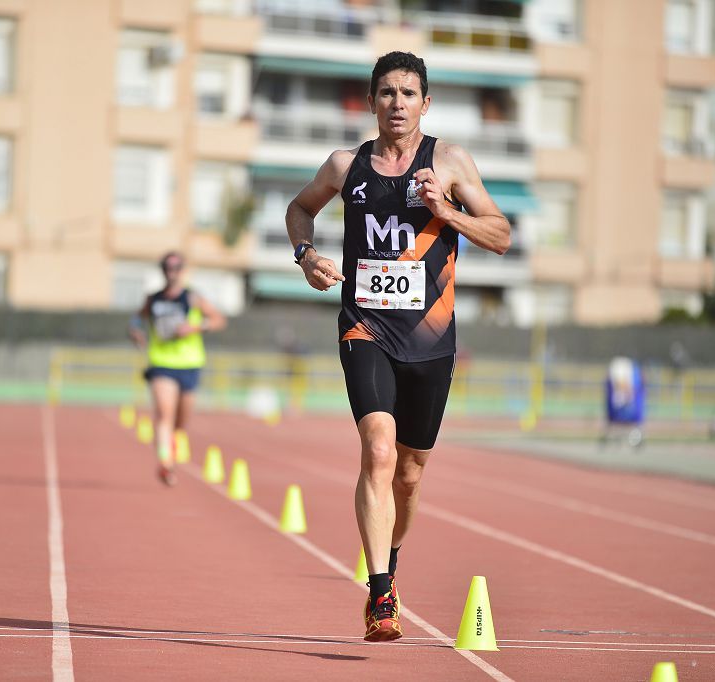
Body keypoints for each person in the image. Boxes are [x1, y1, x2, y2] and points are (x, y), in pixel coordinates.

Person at [285, 51, 510, 642]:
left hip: (431, 340)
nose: (397, 104)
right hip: (366, 327)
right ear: (372, 101)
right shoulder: (344, 166)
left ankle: (391, 551)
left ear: (425, 104)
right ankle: (381, 593)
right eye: (386, 93)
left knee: (409, 474)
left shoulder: (450, 161)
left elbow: (502, 235)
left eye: (408, 93)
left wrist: (446, 212)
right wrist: (306, 256)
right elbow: (299, 209)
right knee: (378, 451)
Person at [128, 252, 226, 485]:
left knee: (181, 422)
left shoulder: (193, 298)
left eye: (176, 267)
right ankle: (166, 464)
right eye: (167, 267)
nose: (172, 272)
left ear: (183, 270)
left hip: (190, 365)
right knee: (164, 415)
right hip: (161, 363)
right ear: (162, 271)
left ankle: (171, 441)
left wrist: (195, 326)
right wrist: (136, 332)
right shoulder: (153, 300)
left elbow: (219, 320)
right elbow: (136, 320)